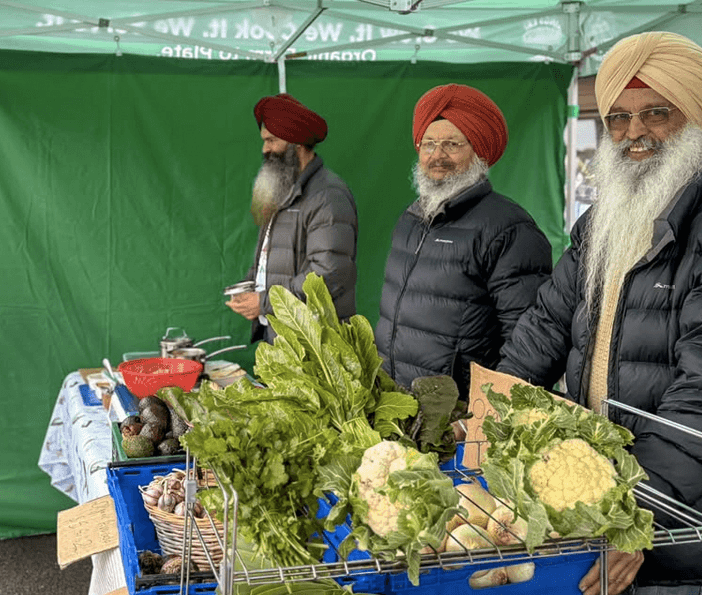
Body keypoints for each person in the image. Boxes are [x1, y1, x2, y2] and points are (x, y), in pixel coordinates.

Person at [497, 32, 702, 595]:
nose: (635, 132)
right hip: (593, 510)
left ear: (697, 117)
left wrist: (639, 515)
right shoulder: (602, 219)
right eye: (619, 118)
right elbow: (546, 325)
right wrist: (490, 410)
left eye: (657, 112)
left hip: (675, 533)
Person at [374, 84, 552, 400]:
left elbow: (529, 342)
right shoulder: (410, 220)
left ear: (480, 152)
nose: (437, 156)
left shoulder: (509, 229)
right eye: (428, 144)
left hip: (456, 416)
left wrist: (484, 413)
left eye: (452, 144)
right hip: (394, 402)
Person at [227, 93, 358, 343]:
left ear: (295, 142)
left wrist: (264, 301)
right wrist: (249, 288)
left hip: (313, 343)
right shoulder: (283, 189)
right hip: (280, 334)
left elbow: (328, 274)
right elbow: (268, 257)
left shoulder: (328, 195)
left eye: (271, 140)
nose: (265, 149)